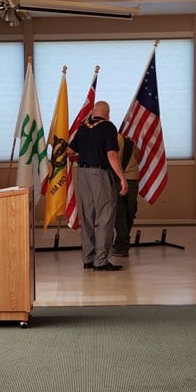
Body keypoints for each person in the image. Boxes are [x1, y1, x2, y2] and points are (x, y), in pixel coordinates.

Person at [67, 101, 128, 271]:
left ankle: (88, 258)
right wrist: (122, 178)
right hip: (100, 175)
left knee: (87, 217)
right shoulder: (108, 127)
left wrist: (88, 151)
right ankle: (101, 261)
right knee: (105, 216)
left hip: (82, 174)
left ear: (94, 111)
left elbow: (70, 151)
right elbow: (111, 154)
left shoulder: (84, 127)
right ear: (108, 113)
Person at [112, 134, 140, 257]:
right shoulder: (129, 141)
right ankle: (122, 244)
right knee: (129, 213)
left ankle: (122, 245)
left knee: (120, 214)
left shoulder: (114, 139)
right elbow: (137, 156)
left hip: (119, 180)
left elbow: (113, 159)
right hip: (132, 180)